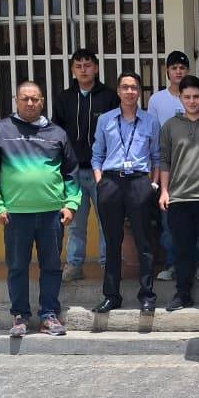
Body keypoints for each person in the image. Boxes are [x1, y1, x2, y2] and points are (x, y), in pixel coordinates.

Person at [0, 80, 82, 337]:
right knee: (17, 266)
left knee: (51, 266)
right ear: (16, 101)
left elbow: (71, 173)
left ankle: (49, 315)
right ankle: (20, 316)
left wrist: (71, 204)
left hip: (52, 213)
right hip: (15, 214)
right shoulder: (0, 131)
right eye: (25, 98)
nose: (30, 103)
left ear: (42, 101)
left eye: (35, 99)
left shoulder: (57, 133)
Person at [91, 71, 160, 314]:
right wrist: (100, 182)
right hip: (111, 182)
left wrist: (152, 184)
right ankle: (111, 296)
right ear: (118, 91)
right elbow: (97, 155)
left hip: (139, 182)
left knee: (144, 241)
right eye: (125, 87)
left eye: (134, 87)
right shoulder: (105, 120)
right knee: (112, 242)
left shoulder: (150, 121)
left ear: (139, 91)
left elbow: (156, 157)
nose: (130, 91)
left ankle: (147, 295)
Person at [158, 74, 199, 314]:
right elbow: (164, 160)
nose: (192, 101)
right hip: (179, 197)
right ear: (180, 98)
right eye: (187, 97)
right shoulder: (170, 126)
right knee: (182, 250)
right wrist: (164, 191)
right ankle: (182, 294)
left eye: (196, 96)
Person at [53, 46, 117, 282]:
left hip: (103, 171)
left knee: (106, 222)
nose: (83, 70)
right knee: (75, 223)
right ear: (72, 70)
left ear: (96, 68)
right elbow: (56, 133)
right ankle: (74, 265)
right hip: (73, 172)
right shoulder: (64, 98)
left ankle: (107, 265)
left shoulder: (109, 97)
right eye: (78, 66)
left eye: (88, 65)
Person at [148, 50, 199, 281]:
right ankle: (174, 266)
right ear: (167, 71)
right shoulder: (157, 100)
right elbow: (156, 140)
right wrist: (160, 184)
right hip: (171, 176)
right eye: (173, 67)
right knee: (171, 229)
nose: (178, 71)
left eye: (182, 68)